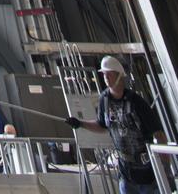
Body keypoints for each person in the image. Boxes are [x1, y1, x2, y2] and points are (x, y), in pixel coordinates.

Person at [66, 55, 166, 194]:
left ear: (119, 75)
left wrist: (165, 168)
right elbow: (102, 125)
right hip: (126, 172)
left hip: (146, 172)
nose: (106, 78)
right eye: (104, 74)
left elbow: (158, 133)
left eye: (109, 74)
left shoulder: (136, 102)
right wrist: (80, 123)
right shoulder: (104, 100)